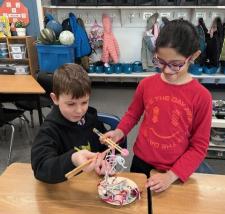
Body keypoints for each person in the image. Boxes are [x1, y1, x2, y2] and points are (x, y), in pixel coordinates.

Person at [101, 19, 212, 193]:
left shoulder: (202, 97)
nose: (166, 70)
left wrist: (171, 175)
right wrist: (119, 132)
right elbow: (132, 114)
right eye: (160, 61)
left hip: (176, 170)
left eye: (176, 65)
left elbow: (199, 147)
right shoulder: (146, 85)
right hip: (141, 161)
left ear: (194, 56)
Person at [31, 63, 108, 184]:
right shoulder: (49, 129)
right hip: (64, 188)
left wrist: (106, 160)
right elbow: (41, 168)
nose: (79, 110)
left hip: (93, 184)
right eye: (71, 104)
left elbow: (104, 148)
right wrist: (73, 159)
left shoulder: (91, 119)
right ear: (55, 99)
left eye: (84, 102)